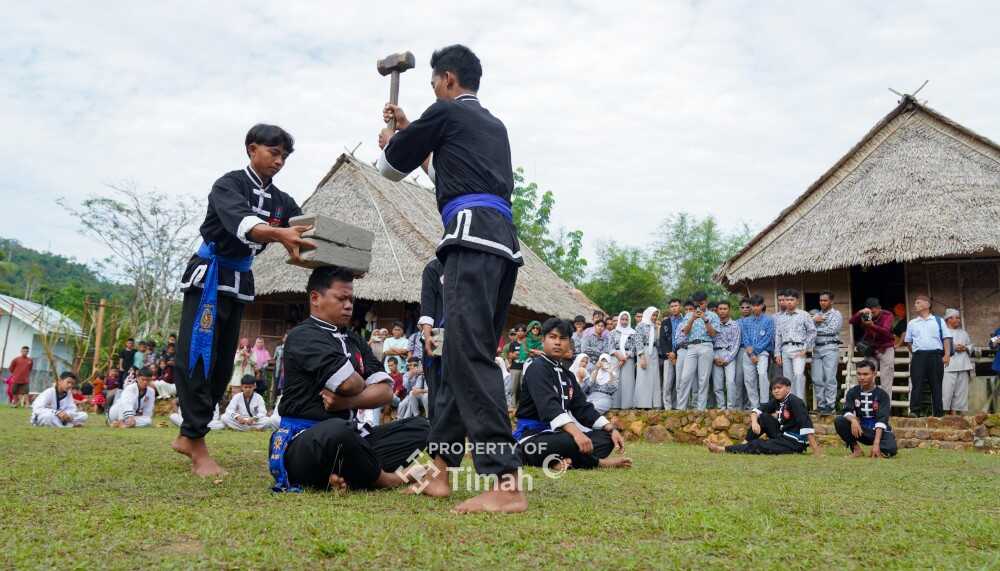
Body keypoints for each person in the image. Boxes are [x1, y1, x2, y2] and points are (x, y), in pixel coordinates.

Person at [378, 45, 527, 513]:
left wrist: (391, 139)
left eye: (433, 85)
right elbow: (446, 170)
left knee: (466, 357)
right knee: (456, 359)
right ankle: (439, 472)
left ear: (446, 80)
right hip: (499, 243)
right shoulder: (490, 125)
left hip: (471, 241)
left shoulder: (443, 113)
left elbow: (391, 169)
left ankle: (505, 483)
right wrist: (410, 130)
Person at [172, 123, 310, 477]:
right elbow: (244, 223)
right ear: (252, 149)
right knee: (198, 357)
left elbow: (306, 227)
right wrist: (279, 234)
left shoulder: (281, 200)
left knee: (222, 365)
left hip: (241, 278)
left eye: (284, 156)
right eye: (273, 153)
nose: (279, 161)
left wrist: (333, 255)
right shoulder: (229, 184)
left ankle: (190, 436)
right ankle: (195, 440)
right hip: (210, 276)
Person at [271, 266, 429, 493]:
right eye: (341, 298)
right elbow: (348, 383)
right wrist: (363, 386)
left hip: (352, 437)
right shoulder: (303, 336)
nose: (348, 305)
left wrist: (348, 403)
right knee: (337, 430)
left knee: (422, 427)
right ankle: (385, 479)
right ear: (315, 298)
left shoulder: (353, 338)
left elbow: (386, 391)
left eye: (351, 299)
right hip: (306, 441)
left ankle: (345, 476)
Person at [513, 319, 630, 470]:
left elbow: (582, 408)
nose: (557, 343)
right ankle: (598, 463)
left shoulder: (567, 375)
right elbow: (549, 407)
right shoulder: (536, 368)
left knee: (605, 438)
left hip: (560, 434)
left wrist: (610, 428)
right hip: (533, 437)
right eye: (552, 337)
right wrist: (577, 433)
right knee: (570, 440)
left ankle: (560, 461)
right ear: (543, 340)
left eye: (562, 339)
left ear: (569, 343)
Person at [706, 377, 821, 456]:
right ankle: (743, 446)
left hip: (794, 442)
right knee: (763, 417)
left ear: (788, 388)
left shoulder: (796, 402)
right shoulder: (777, 400)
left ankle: (722, 450)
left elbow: (806, 426)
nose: (776, 391)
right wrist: (755, 422)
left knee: (759, 445)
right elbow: (756, 411)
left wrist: (816, 451)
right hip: (782, 435)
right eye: (774, 389)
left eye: (779, 388)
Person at [835, 360, 897, 458]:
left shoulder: (882, 395)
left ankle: (879, 449)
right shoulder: (852, 392)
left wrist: (876, 443)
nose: (862, 377)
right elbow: (847, 411)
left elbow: (882, 420)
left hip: (879, 431)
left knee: (891, 450)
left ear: (874, 374)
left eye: (865, 374)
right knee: (839, 421)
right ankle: (856, 450)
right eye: (859, 374)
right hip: (861, 430)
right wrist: (853, 420)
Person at [904, 295, 952, 417]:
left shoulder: (938, 320)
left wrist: (946, 354)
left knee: (936, 385)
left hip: (935, 356)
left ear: (927, 305)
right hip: (919, 356)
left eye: (918, 302)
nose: (915, 305)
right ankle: (915, 411)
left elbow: (946, 338)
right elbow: (908, 341)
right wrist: (915, 353)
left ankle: (938, 413)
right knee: (917, 383)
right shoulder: (912, 323)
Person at [849, 297, 897, 399]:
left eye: (874, 308)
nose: (872, 311)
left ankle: (885, 408)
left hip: (886, 349)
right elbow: (851, 321)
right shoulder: (865, 314)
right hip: (871, 350)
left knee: (886, 380)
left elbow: (886, 331)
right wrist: (860, 312)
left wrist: (872, 325)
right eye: (870, 309)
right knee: (867, 378)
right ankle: (869, 404)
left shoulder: (887, 315)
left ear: (879, 308)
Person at [773, 289, 816, 402]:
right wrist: (777, 353)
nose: (789, 302)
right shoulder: (781, 317)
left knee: (798, 375)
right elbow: (778, 335)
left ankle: (800, 402)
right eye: (787, 300)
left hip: (799, 348)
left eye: (791, 299)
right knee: (787, 378)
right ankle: (789, 403)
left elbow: (812, 331)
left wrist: (806, 348)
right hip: (785, 349)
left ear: (797, 301)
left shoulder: (804, 315)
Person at [681, 293, 720, 411]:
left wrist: (705, 319)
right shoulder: (688, 315)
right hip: (691, 346)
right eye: (697, 304)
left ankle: (701, 409)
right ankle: (681, 407)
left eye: (702, 304)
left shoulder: (713, 315)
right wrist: (692, 319)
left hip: (706, 345)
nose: (699, 307)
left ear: (706, 302)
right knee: (685, 377)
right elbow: (685, 332)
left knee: (703, 379)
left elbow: (713, 334)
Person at [418, 257, 444, 419]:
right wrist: (428, 337)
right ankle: (437, 435)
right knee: (436, 389)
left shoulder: (470, 264)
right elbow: (427, 308)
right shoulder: (434, 268)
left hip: (463, 338)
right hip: (437, 338)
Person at [811, 290, 843, 415]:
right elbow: (808, 329)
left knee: (829, 378)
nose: (822, 302)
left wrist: (815, 326)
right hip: (816, 349)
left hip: (830, 348)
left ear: (831, 301)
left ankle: (830, 406)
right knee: (817, 378)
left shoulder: (836, 314)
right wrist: (814, 322)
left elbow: (832, 330)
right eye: (820, 300)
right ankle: (821, 405)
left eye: (825, 300)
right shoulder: (816, 315)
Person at [740, 295, 774, 409]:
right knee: (749, 380)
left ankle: (764, 404)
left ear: (762, 305)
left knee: (763, 375)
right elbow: (745, 338)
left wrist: (755, 352)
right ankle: (755, 406)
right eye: (753, 305)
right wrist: (751, 354)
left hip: (763, 353)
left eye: (757, 305)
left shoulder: (768, 320)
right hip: (748, 354)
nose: (755, 308)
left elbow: (767, 338)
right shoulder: (746, 321)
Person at [941, 308, 973, 415]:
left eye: (959, 318)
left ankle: (956, 415)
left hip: (963, 365)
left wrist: (966, 348)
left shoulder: (964, 333)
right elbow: (939, 347)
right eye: (956, 318)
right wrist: (953, 347)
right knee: (946, 391)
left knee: (961, 392)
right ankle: (944, 414)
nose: (959, 320)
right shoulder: (942, 332)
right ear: (949, 319)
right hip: (948, 365)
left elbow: (970, 345)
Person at [712, 301, 742, 410]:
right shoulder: (713, 325)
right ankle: (721, 408)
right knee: (717, 384)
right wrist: (714, 358)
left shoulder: (735, 325)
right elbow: (710, 341)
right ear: (717, 310)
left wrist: (727, 359)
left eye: (725, 309)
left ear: (729, 310)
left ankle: (731, 408)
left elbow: (736, 343)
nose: (722, 311)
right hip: (715, 354)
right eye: (720, 309)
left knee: (730, 382)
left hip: (729, 355)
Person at [633, 307, 662, 409]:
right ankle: (642, 404)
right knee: (643, 377)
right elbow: (638, 341)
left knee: (654, 377)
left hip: (654, 352)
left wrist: (658, 329)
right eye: (653, 315)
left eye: (656, 315)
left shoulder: (655, 326)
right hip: (644, 351)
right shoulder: (640, 326)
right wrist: (642, 357)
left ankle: (655, 403)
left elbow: (658, 342)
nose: (654, 317)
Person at [609, 311, 636, 409]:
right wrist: (618, 356)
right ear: (619, 320)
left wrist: (625, 357)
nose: (624, 322)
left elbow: (634, 348)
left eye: (626, 319)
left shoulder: (633, 333)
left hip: (628, 360)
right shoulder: (612, 332)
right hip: (615, 358)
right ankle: (614, 405)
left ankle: (627, 405)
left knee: (627, 381)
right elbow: (610, 347)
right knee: (615, 380)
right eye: (622, 319)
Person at [663, 299, 685, 410]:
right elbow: (662, 340)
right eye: (672, 306)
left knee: (680, 382)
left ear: (680, 306)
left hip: (682, 354)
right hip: (668, 356)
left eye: (676, 305)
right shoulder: (665, 322)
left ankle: (678, 405)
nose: (674, 308)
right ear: (669, 308)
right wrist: (669, 353)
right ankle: (667, 406)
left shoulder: (686, 320)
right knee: (667, 382)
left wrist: (676, 354)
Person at [507, 324, 527, 407]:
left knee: (523, 388)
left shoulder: (527, 344)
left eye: (522, 330)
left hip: (525, 368)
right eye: (518, 330)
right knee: (513, 388)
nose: (520, 332)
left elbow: (528, 354)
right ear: (516, 332)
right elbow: (510, 356)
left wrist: (518, 354)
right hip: (515, 368)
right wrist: (516, 354)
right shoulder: (513, 344)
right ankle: (512, 407)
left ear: (525, 332)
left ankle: (521, 406)